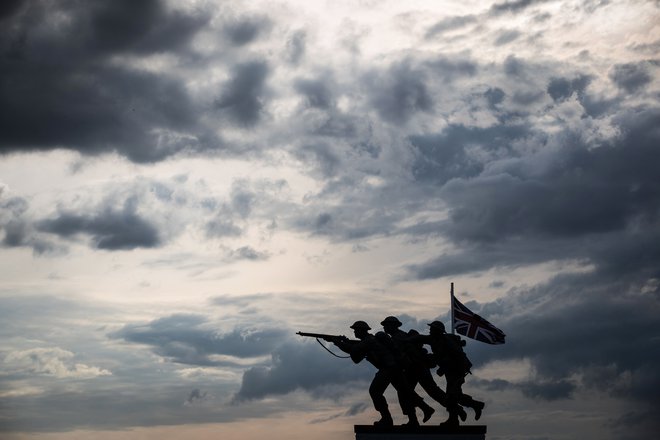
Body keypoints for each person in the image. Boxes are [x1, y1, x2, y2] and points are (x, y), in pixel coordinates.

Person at [380, 316, 467, 424]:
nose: (384, 327)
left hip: (418, 367)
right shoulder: (396, 337)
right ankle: (414, 419)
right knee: (405, 393)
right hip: (412, 369)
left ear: (393, 326)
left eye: (386, 325)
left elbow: (408, 354)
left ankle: (456, 410)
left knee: (433, 392)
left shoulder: (399, 337)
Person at [332, 321, 420, 426]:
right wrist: (346, 342)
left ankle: (387, 419)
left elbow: (353, 349)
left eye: (356, 330)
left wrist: (338, 343)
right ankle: (413, 418)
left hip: (388, 368)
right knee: (404, 392)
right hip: (392, 367)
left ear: (361, 330)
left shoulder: (369, 340)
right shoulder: (367, 340)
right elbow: (356, 358)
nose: (354, 332)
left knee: (375, 391)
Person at [422, 321, 485, 427]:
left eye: (432, 329)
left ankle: (453, 420)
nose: (430, 330)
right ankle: (476, 405)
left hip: (457, 371)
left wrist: (460, 370)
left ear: (438, 331)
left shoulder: (447, 341)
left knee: (451, 397)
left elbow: (458, 355)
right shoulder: (435, 341)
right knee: (456, 395)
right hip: (450, 372)